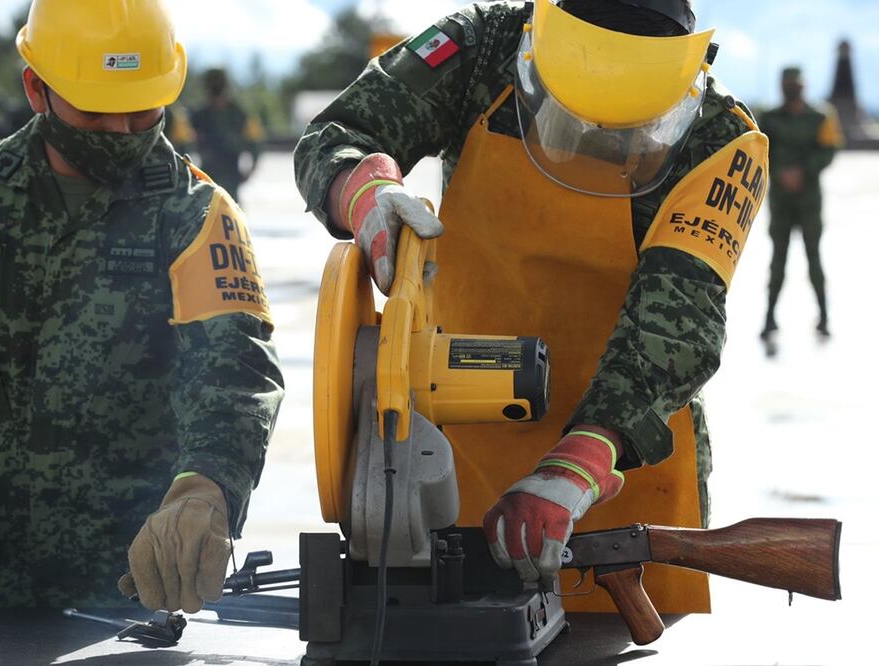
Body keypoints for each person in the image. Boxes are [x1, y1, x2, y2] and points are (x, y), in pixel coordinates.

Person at [295, 0, 767, 613]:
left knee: (616, 639)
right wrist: (365, 192)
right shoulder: (480, 50)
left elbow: (677, 323)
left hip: (624, 458)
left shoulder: (721, 137)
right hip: (452, 442)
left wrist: (580, 464)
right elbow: (339, 134)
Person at [0, 0, 284, 628]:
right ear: (37, 89)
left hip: (136, 594)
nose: (120, 131)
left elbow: (236, 374)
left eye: (141, 110)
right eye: (94, 110)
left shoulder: (196, 213)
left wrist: (206, 488)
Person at [759, 67, 843, 355]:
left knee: (814, 259)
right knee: (777, 260)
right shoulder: (769, 118)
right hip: (781, 201)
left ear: (803, 86)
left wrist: (803, 171)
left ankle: (824, 317)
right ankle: (769, 318)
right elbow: (760, 148)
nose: (791, 88)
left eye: (795, 84)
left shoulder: (821, 116)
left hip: (809, 200)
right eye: (787, 84)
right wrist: (781, 173)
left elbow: (830, 148)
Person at [187, 68, 265, 204]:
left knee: (227, 208)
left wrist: (252, 167)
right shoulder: (201, 115)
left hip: (228, 173)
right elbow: (186, 143)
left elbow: (255, 141)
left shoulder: (237, 113)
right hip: (209, 174)